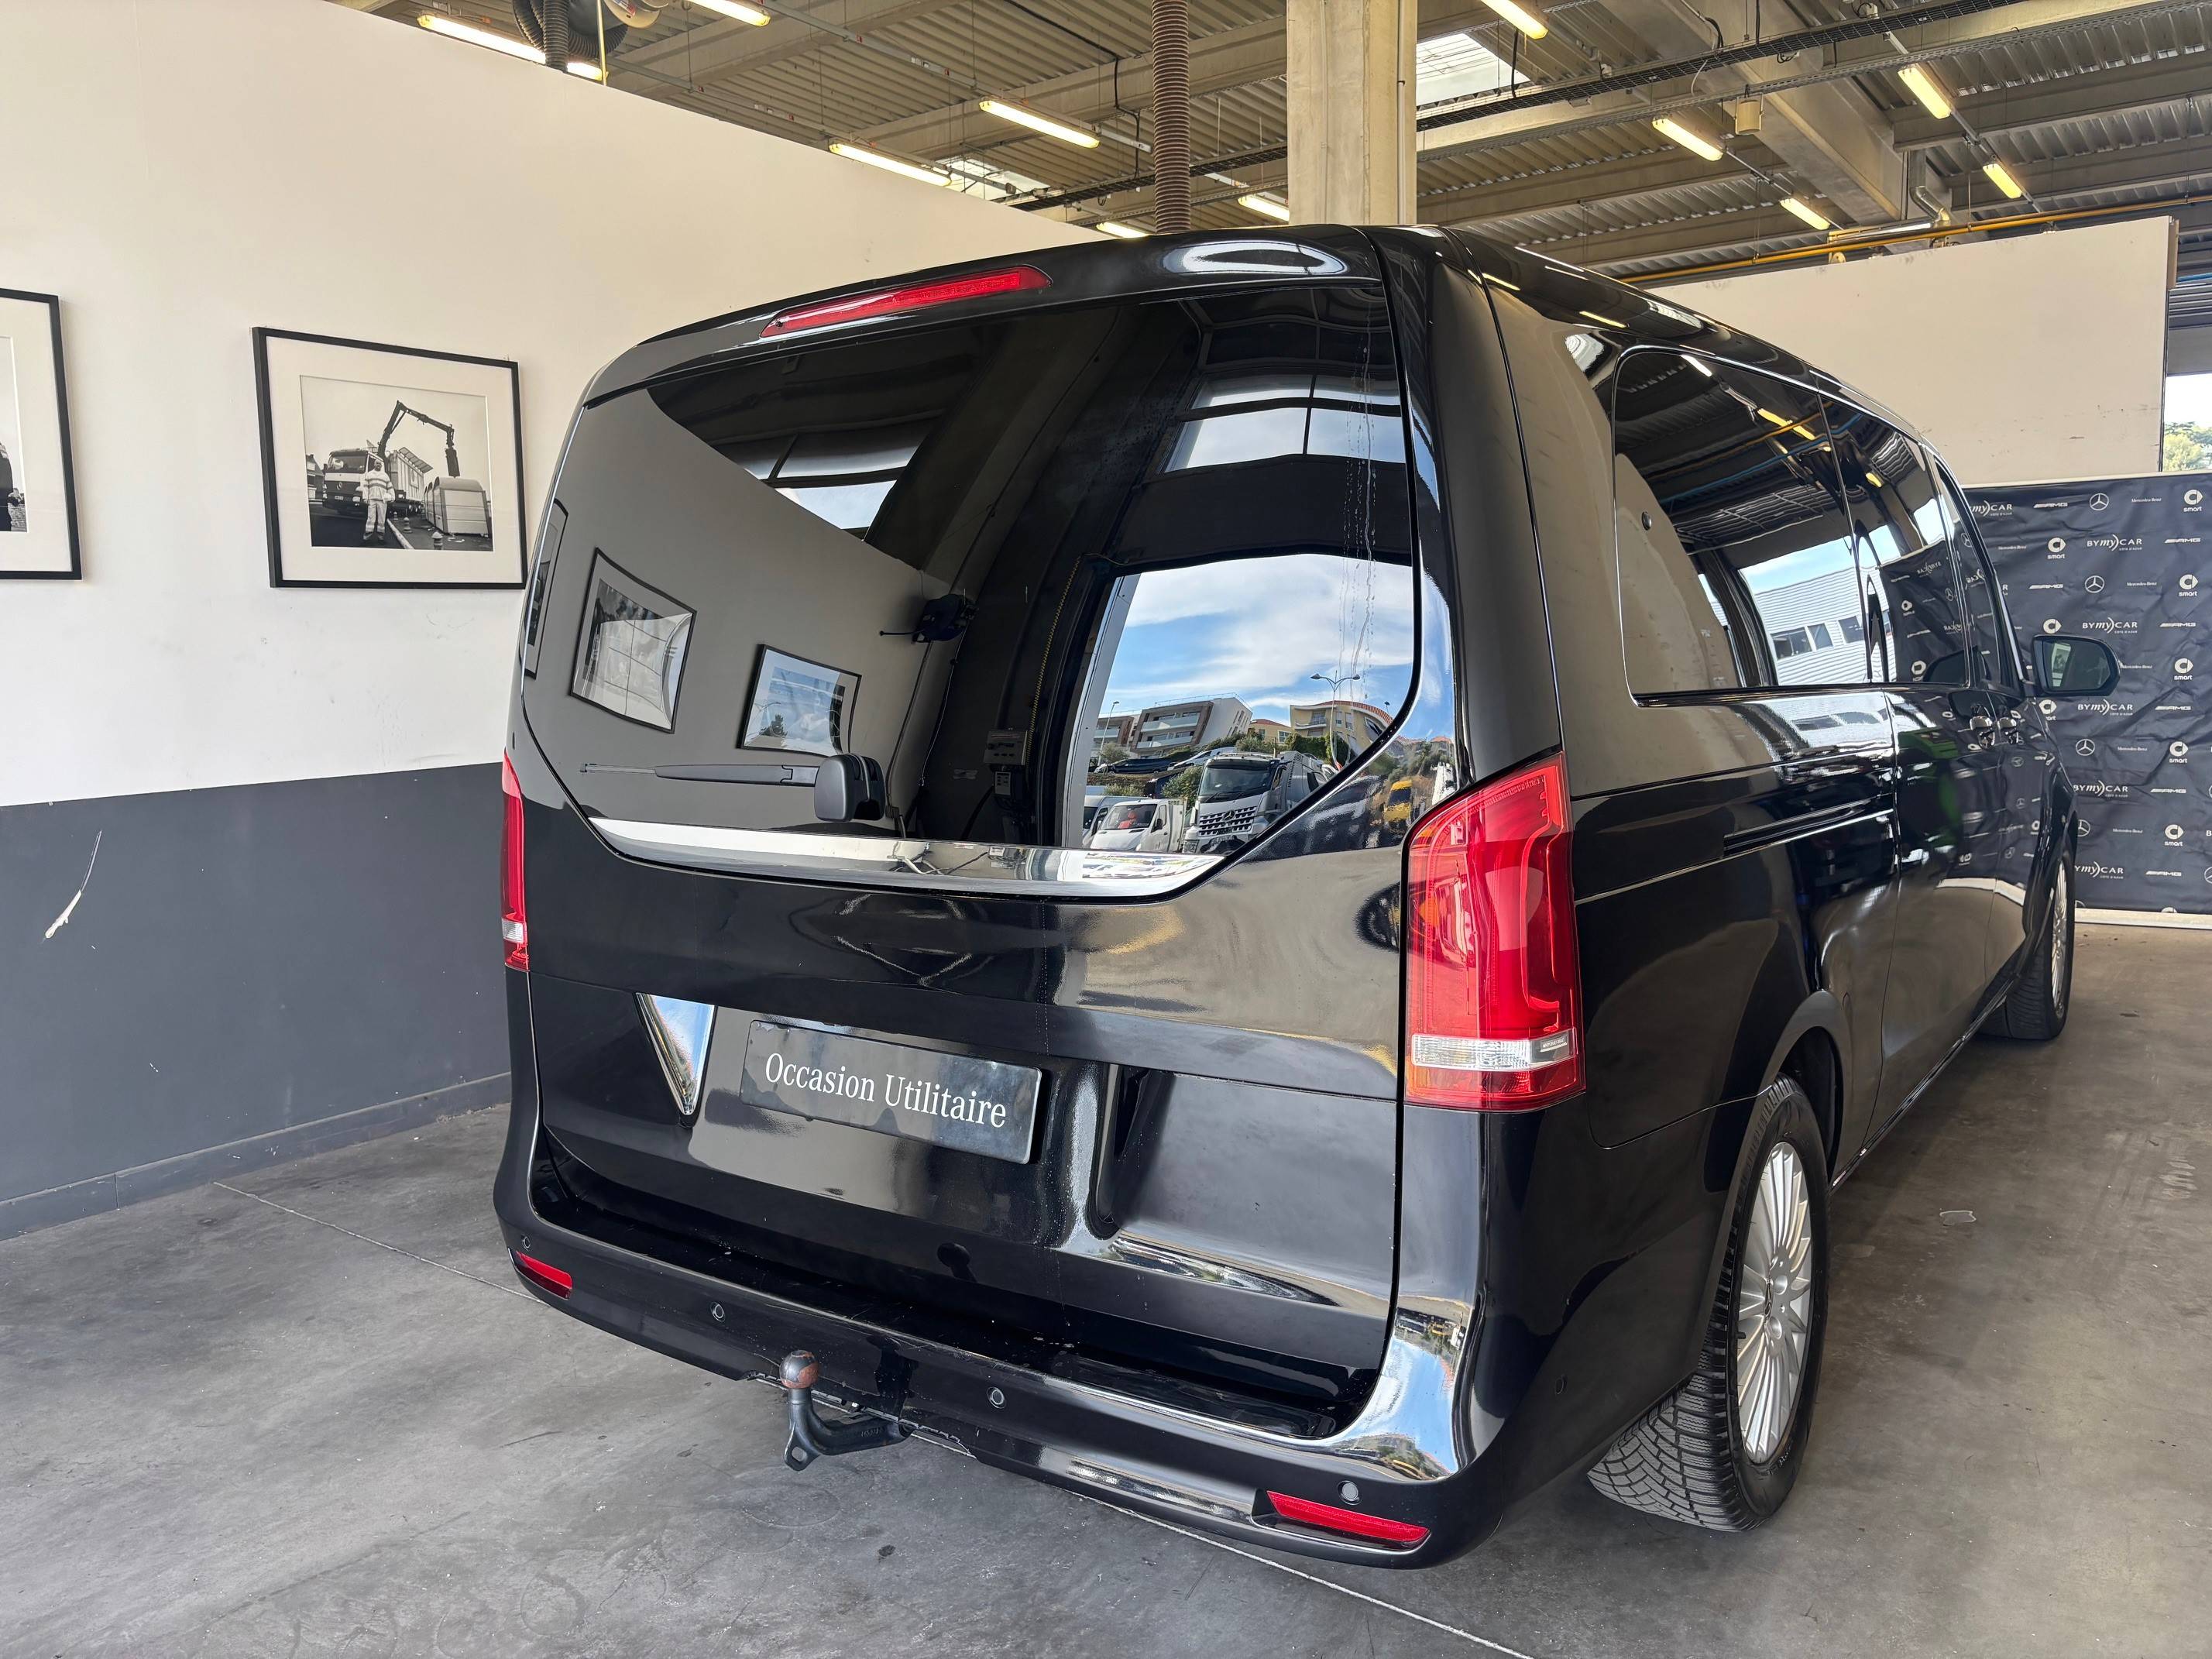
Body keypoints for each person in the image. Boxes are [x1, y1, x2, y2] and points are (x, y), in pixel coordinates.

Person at [358, 455, 393, 543]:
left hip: (382, 501)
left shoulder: (385, 476)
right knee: (370, 519)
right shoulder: (369, 474)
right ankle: (367, 538)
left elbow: (390, 488)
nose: (378, 465)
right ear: (374, 464)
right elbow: (366, 487)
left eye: (379, 464)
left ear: (381, 465)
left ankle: (381, 538)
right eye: (377, 463)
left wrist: (392, 497)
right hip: (372, 500)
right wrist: (365, 498)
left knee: (382, 520)